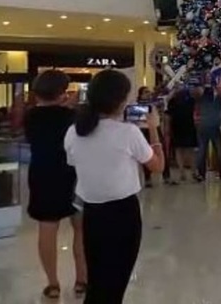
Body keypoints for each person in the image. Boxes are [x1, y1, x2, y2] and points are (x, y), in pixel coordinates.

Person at [65, 70, 164, 304]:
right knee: (115, 283)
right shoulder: (128, 133)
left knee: (98, 280)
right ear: (120, 100)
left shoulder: (74, 132)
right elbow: (157, 166)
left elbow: (74, 162)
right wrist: (153, 128)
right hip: (123, 214)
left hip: (91, 213)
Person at [24, 70, 86, 300]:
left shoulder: (31, 116)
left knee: (47, 228)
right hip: (74, 174)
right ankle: (81, 279)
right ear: (61, 92)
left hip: (42, 174)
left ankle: (52, 283)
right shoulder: (72, 116)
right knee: (81, 227)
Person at [165, 85, 197, 182]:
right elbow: (168, 114)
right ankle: (186, 171)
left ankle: (189, 171)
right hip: (181, 126)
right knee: (182, 149)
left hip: (184, 126)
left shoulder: (188, 100)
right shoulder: (174, 101)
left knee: (187, 150)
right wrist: (167, 127)